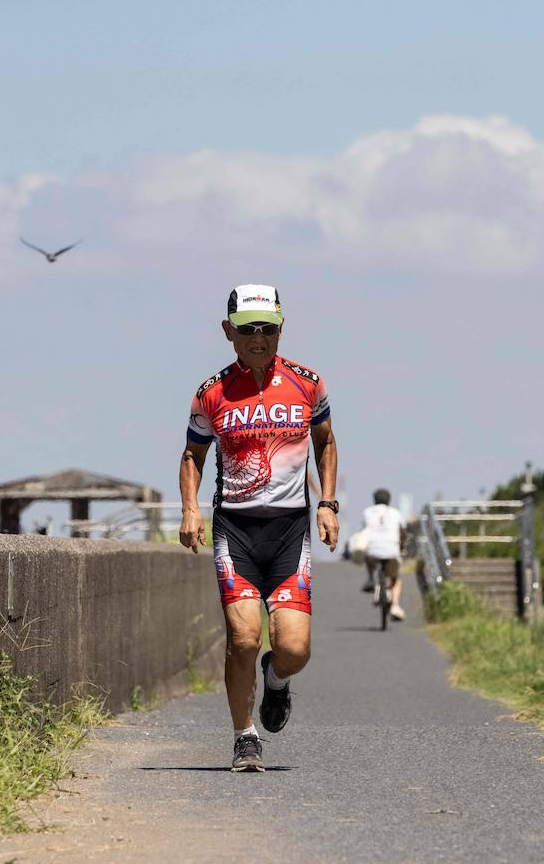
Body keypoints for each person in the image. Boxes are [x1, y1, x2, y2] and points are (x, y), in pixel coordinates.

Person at [179, 284, 339, 773]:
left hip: (290, 532)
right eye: (248, 329)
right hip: (237, 532)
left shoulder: (307, 383)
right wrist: (190, 507)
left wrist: (327, 503)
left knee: (292, 649)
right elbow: (193, 455)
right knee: (244, 638)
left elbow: (326, 442)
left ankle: (276, 679)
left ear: (281, 329)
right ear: (228, 332)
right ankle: (244, 736)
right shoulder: (212, 392)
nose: (259, 338)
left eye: (268, 328)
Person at [360, 488, 407, 620]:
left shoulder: (367, 512)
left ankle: (370, 579)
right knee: (396, 579)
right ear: (389, 500)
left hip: (372, 552)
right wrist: (401, 544)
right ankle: (395, 606)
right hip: (391, 551)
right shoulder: (396, 513)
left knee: (368, 557)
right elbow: (403, 532)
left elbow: (364, 530)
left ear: (374, 500)